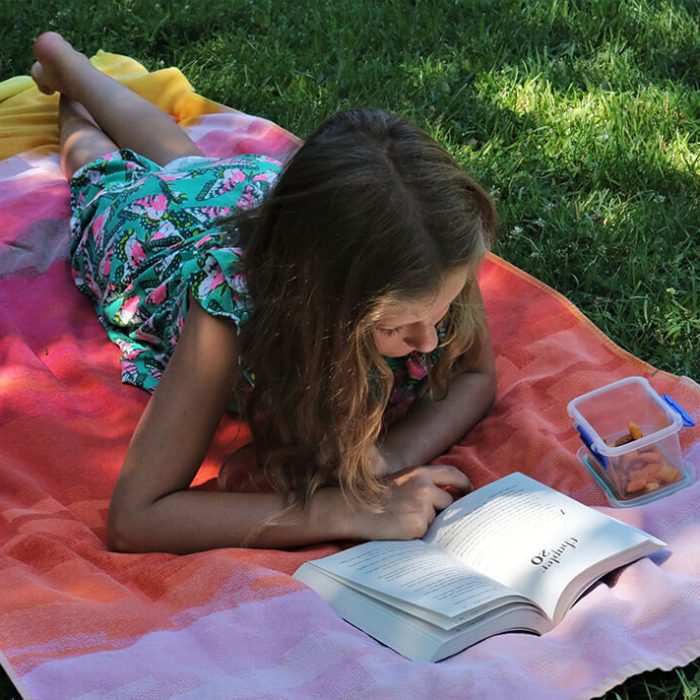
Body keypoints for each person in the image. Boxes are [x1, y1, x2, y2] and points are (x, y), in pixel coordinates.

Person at [31, 32, 498, 554]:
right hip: (151, 242)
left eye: (442, 311)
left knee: (190, 164)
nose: (431, 341)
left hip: (240, 192)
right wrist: (348, 508)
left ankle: (70, 67)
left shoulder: (429, 251)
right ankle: (68, 88)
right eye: (393, 328)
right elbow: (136, 518)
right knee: (107, 175)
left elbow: (477, 376)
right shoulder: (228, 312)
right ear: (317, 304)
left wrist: (386, 458)